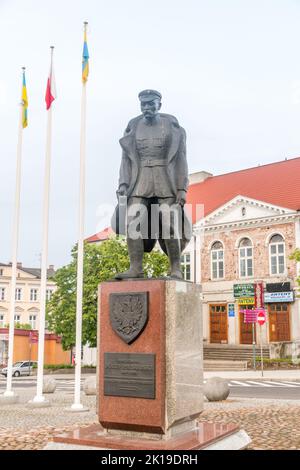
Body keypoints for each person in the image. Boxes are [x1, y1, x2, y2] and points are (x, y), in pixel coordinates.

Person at [112, 89, 191, 279]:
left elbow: (181, 160)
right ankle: (136, 268)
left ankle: (175, 269)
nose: (146, 108)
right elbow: (126, 159)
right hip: (140, 180)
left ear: (159, 105)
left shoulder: (172, 126)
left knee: (168, 222)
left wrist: (181, 188)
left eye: (150, 104)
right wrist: (123, 183)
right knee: (133, 222)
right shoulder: (133, 125)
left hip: (166, 180)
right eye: (143, 105)